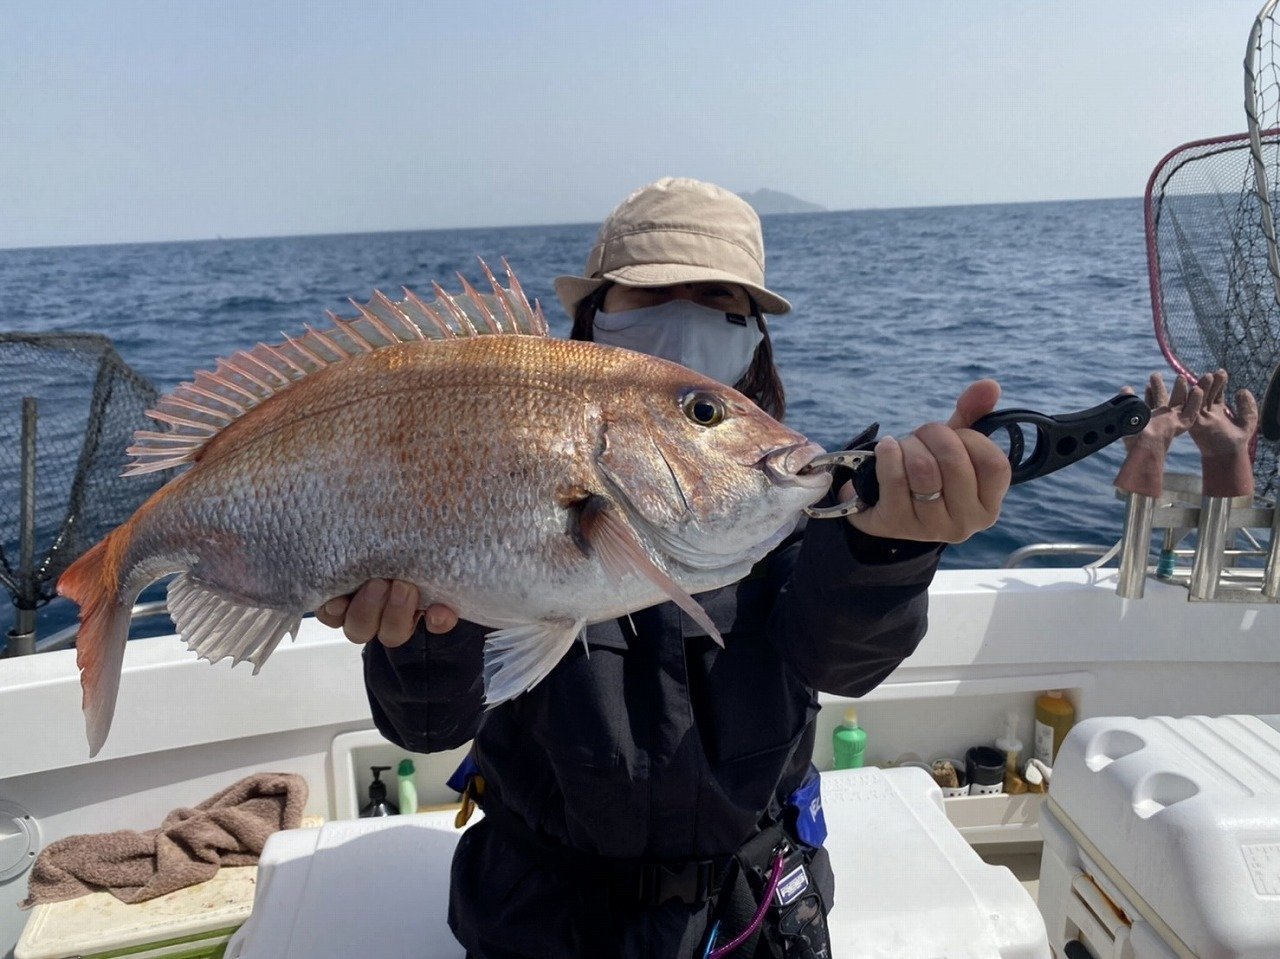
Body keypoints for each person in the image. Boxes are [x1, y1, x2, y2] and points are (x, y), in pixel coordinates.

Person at [316, 177, 1012, 957]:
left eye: (718, 298)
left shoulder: (782, 489)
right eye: (650, 295)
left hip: (750, 920)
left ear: (754, 337)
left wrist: (889, 548)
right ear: (592, 318)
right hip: (541, 921)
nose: (684, 317)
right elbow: (427, 725)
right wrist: (419, 638)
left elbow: (840, 658)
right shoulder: (501, 453)